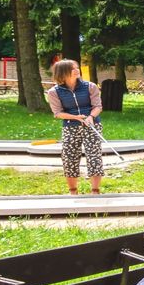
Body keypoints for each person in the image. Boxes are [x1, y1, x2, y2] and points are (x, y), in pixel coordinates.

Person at [44, 58, 104, 194]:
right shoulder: (54, 92)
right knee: (69, 156)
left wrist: (90, 117)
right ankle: (73, 191)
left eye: (77, 67)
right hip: (70, 127)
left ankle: (95, 191)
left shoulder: (90, 86)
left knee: (94, 156)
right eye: (72, 69)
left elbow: (98, 106)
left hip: (91, 124)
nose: (77, 70)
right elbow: (58, 113)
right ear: (63, 73)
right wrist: (76, 117)